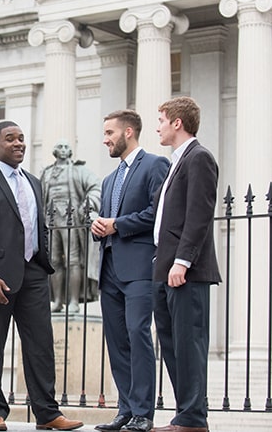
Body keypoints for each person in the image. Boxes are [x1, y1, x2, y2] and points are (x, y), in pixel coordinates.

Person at [0, 121, 84, 432]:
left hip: (33, 272)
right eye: (10, 139)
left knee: (41, 344)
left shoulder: (33, 181)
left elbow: (37, 225)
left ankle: (47, 413)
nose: (18, 144)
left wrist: (42, 261)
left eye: (21, 139)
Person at [91, 110, 169, 432]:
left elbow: (158, 213)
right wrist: (99, 227)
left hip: (139, 267)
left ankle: (143, 413)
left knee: (138, 335)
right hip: (109, 269)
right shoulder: (109, 179)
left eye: (110, 132)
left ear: (128, 132)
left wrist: (116, 225)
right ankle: (124, 410)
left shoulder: (154, 165)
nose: (105, 139)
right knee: (117, 340)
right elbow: (108, 221)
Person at [151, 97, 221, 432]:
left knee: (189, 343)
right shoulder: (176, 162)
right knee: (173, 344)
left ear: (178, 122)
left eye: (161, 120)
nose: (158, 127)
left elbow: (199, 215)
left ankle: (193, 418)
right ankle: (187, 415)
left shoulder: (199, 158)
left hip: (185, 271)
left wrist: (182, 261)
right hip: (164, 269)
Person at [40, 139, 101, 313]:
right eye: (60, 146)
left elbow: (96, 187)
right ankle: (57, 300)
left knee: (73, 260)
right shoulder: (47, 173)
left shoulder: (78, 170)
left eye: (67, 147)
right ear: (54, 151)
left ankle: (73, 301)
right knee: (54, 261)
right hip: (51, 220)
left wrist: (87, 205)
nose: (64, 149)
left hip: (71, 220)